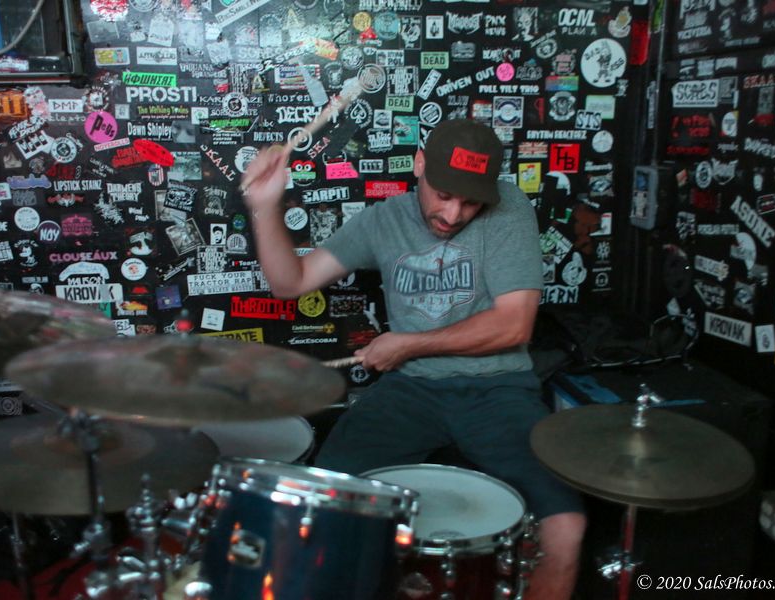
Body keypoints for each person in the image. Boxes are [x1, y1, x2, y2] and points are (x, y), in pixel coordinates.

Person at [241, 119, 585, 600]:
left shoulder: (508, 208)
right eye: (444, 195)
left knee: (565, 524)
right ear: (419, 165)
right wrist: (264, 206)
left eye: (471, 202)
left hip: (499, 389)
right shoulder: (383, 220)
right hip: (411, 390)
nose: (454, 213)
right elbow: (290, 282)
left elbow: (513, 326)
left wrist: (406, 344)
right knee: (327, 503)